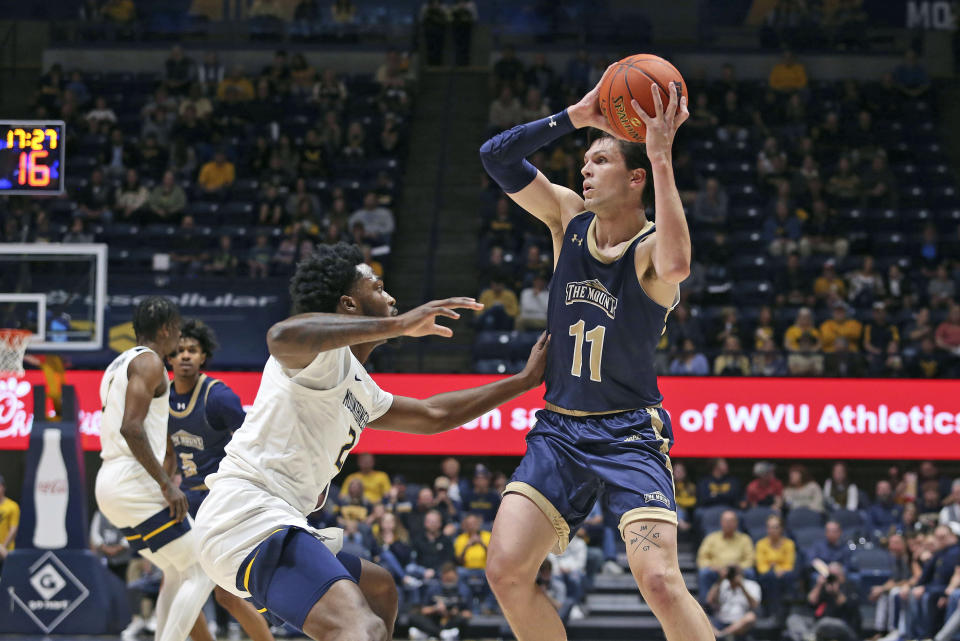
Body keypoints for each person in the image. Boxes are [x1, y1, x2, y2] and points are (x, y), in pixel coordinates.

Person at [193, 242, 549, 641]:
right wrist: (399, 326)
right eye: (378, 288)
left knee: (379, 589)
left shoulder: (363, 387)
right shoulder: (318, 355)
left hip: (268, 524)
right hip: (246, 517)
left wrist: (523, 382)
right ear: (348, 304)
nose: (392, 297)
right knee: (360, 629)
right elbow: (280, 335)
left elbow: (435, 415)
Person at [477, 69, 713, 641]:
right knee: (506, 572)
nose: (584, 167)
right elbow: (496, 158)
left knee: (658, 581)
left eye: (600, 160)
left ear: (635, 179)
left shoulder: (651, 250)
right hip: (559, 430)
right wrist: (572, 118)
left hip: (629, 433)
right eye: (585, 160)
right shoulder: (568, 219)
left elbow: (680, 265)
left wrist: (661, 157)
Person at [94, 297, 215, 641]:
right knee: (200, 569)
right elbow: (131, 428)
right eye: (177, 330)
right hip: (133, 482)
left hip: (111, 483)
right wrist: (166, 483)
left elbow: (137, 425)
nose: (179, 338)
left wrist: (167, 457)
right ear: (165, 330)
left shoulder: (118, 364)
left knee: (177, 572)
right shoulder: (149, 363)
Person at [165, 319, 275, 641]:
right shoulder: (164, 398)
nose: (185, 356)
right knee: (178, 585)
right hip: (187, 500)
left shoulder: (217, 395)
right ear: (169, 358)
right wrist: (166, 484)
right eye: (179, 350)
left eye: (193, 350)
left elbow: (252, 438)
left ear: (203, 357)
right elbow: (168, 449)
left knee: (226, 595)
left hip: (219, 501)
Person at [697, 510, 756, 600]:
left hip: (737, 571)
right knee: (704, 573)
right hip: (717, 571)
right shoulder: (711, 538)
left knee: (750, 572)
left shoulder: (745, 539)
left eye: (731, 521)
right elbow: (702, 558)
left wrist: (739, 567)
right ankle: (706, 607)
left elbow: (750, 559)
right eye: (726, 521)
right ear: (721, 523)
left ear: (736, 523)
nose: (728, 524)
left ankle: (751, 606)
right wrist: (714, 567)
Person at [407, 562, 473, 641]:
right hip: (435, 619)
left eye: (450, 579)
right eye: (446, 579)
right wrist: (435, 608)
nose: (448, 582)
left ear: (457, 576)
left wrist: (454, 613)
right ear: (442, 577)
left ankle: (429, 634)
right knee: (413, 616)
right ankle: (441, 634)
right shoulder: (434, 589)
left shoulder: (464, 590)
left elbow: (469, 614)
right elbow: (424, 610)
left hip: (452, 621)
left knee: (461, 620)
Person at [755, 515, 796, 619]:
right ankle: (773, 613)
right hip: (768, 576)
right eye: (769, 527)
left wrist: (775, 567)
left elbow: (789, 565)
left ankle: (786, 612)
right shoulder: (761, 544)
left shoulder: (789, 544)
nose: (772, 530)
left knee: (789, 576)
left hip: (784, 575)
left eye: (775, 527)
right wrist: (776, 569)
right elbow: (761, 567)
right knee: (770, 577)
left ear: (781, 529)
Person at [706, 565, 761, 640]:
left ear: (741, 573)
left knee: (751, 617)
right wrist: (720, 580)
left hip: (739, 623)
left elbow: (755, 605)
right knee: (701, 613)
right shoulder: (722, 583)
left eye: (735, 572)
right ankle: (719, 634)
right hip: (721, 619)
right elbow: (709, 600)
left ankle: (722, 635)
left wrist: (742, 587)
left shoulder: (752, 585)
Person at [0, 474, 20, 567]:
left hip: (7, 549)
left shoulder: (12, 506)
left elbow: (13, 529)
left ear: (3, 487)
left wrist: (3, 547)